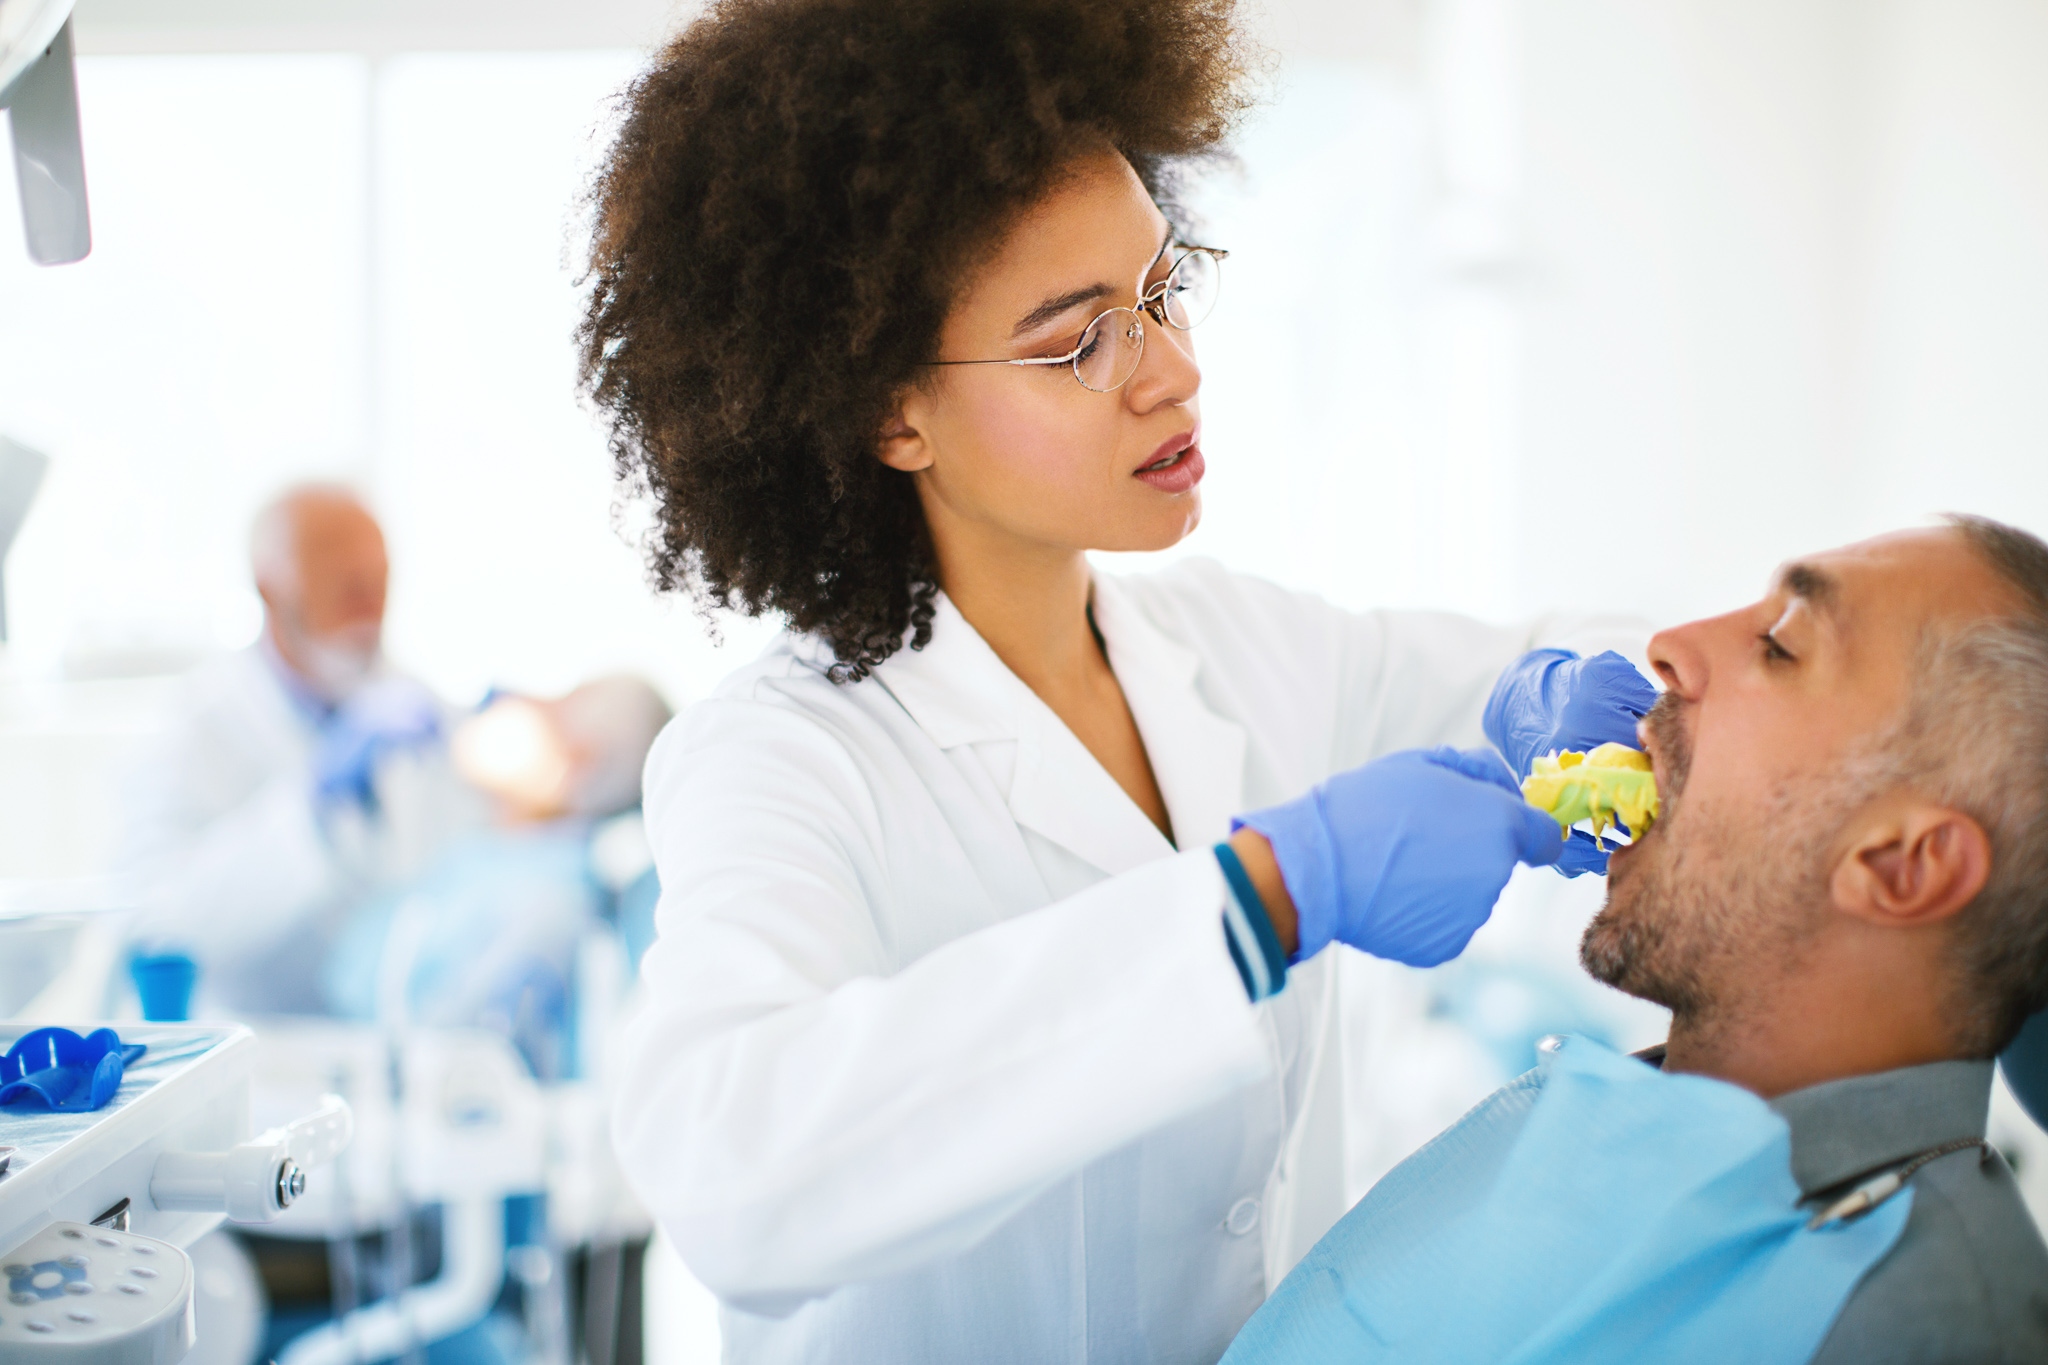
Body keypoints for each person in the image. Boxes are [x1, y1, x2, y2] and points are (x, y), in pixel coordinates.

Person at [584, 1, 1650, 1359]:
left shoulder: (1245, 648)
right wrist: (1266, 898)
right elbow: (734, 1172)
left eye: (1161, 291)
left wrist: (1582, 681)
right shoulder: (783, 759)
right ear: (886, 410)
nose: (1176, 374)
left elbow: (1561, 659)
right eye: (1078, 339)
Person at [1224, 516, 2048, 1365]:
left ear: (1905, 865)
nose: (1666, 648)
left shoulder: (1912, 1324)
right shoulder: (1609, 1131)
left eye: (1780, 646)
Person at [123, 484, 480, 1015]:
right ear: (270, 591)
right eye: (347, 587)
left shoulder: (410, 704)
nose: (370, 611)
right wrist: (310, 806)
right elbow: (151, 922)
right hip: (258, 1049)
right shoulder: (195, 726)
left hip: (382, 1041)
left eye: (380, 586)